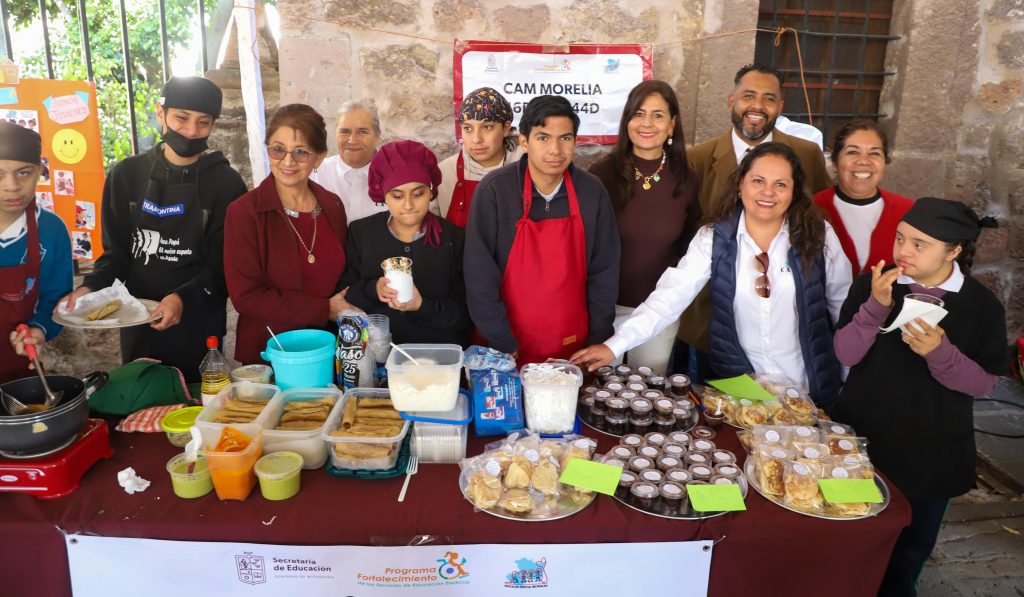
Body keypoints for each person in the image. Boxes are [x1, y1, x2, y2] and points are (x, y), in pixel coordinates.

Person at [572, 143, 851, 407]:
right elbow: (669, 298)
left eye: (780, 184)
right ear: (740, 184)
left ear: (794, 191)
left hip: (806, 388)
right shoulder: (714, 237)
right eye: (758, 181)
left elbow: (843, 308)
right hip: (742, 391)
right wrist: (613, 347)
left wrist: (849, 378)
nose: (768, 192)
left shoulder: (819, 235)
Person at [829, 197, 1005, 597]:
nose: (902, 251)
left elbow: (984, 384)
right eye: (900, 238)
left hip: (931, 454)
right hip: (860, 441)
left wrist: (941, 354)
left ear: (953, 251)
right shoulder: (874, 285)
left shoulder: (982, 307)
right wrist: (875, 309)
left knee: (906, 553)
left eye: (919, 244)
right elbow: (845, 354)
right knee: (849, 538)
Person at [60, 76, 247, 382]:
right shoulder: (126, 176)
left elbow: (222, 265)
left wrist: (182, 298)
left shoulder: (226, 184)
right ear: (161, 113)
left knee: (197, 400)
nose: (191, 131)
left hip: (199, 322)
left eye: (203, 122)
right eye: (182, 118)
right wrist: (89, 287)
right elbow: (116, 254)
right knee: (141, 396)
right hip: (137, 319)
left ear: (213, 124)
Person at [674, 63, 833, 382]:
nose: (757, 106)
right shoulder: (698, 159)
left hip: (786, 325)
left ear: (780, 106)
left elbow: (816, 228)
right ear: (731, 101)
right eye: (748, 96)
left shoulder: (806, 154)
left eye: (768, 98)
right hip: (711, 319)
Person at [464, 94, 620, 365]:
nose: (555, 150)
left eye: (565, 138)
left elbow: (604, 270)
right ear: (524, 141)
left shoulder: (591, 191)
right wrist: (501, 339)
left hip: (574, 347)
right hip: (506, 345)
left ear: (575, 141)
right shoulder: (495, 190)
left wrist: (597, 337)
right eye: (543, 138)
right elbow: (479, 274)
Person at [225, 104, 352, 364]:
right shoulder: (245, 212)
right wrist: (323, 309)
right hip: (271, 352)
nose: (287, 161)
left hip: (327, 348)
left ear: (319, 157)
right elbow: (246, 297)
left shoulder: (332, 205)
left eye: (301, 152)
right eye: (278, 149)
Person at [587, 80, 699, 375]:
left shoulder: (687, 180)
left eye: (657, 115)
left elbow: (689, 248)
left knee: (648, 389)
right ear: (627, 121)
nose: (647, 123)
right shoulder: (600, 175)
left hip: (657, 311)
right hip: (603, 311)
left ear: (672, 124)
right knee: (599, 391)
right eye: (638, 114)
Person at [340, 140, 469, 345]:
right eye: (397, 196)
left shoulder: (454, 239)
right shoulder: (361, 234)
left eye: (418, 194)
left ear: (431, 191)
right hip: (378, 354)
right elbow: (345, 296)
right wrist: (374, 289)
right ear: (383, 195)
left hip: (440, 354)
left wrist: (422, 306)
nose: (408, 205)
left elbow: (465, 314)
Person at [1, 122, 72, 383]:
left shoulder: (51, 230)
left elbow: (56, 299)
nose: (12, 186)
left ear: (40, 171)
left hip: (21, 368)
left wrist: (39, 329)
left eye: (23, 172)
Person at [813, 120, 914, 276]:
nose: (863, 161)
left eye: (874, 153)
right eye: (853, 152)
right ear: (835, 161)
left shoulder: (909, 211)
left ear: (885, 162)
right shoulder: (810, 208)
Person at [437, 87, 522, 226]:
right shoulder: (444, 173)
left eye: (487, 127)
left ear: (506, 128)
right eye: (468, 129)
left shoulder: (525, 167)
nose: (476, 139)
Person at [310, 99, 388, 224]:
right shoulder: (315, 175)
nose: (352, 140)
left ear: (377, 136)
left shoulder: (394, 176)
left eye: (362, 132)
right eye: (344, 132)